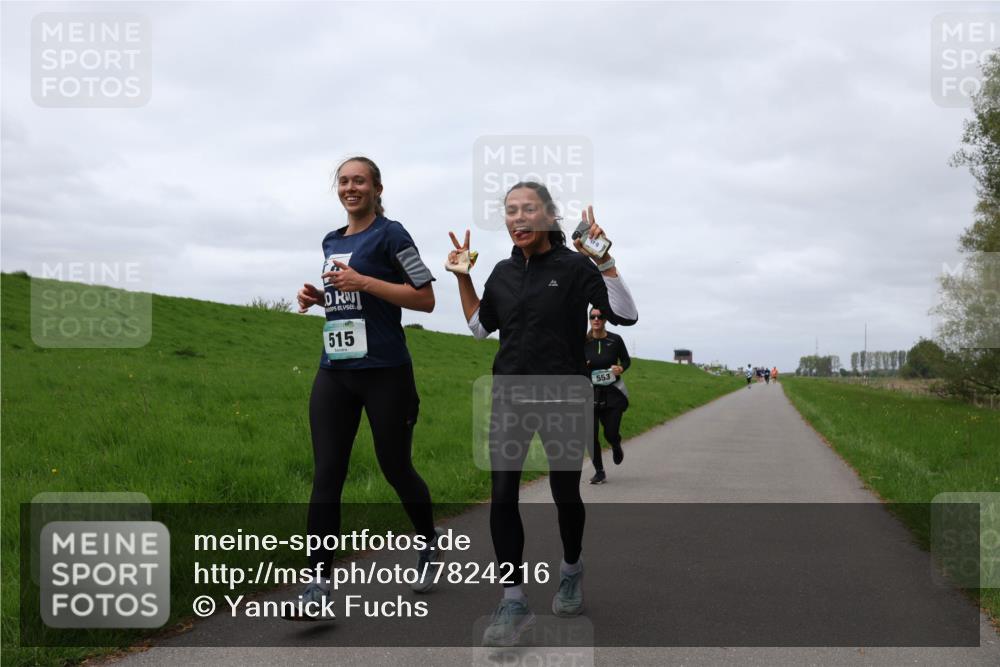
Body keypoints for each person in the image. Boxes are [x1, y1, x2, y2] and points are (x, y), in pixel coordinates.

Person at [447, 182, 637, 646]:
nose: (518, 218)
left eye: (528, 209)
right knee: (503, 491)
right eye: (510, 211)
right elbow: (478, 327)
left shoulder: (573, 267)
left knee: (564, 491)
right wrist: (462, 277)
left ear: (550, 216)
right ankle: (513, 601)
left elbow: (625, 314)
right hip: (510, 394)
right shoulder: (500, 272)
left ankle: (571, 568)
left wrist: (605, 260)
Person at [288, 157, 441, 620]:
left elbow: (426, 298)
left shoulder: (394, 235)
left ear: (376, 188)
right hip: (335, 369)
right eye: (344, 181)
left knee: (395, 468)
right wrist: (320, 298)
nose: (350, 187)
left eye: (359, 181)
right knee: (327, 475)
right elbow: (348, 298)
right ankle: (317, 584)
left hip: (385, 371)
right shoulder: (332, 240)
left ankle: (429, 544)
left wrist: (364, 281)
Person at [584, 307, 631, 484]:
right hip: (589, 394)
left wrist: (621, 368)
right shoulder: (583, 342)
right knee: (590, 435)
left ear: (605, 319)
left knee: (610, 432)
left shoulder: (615, 340)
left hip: (612, 393)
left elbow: (626, 360)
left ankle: (615, 444)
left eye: (600, 316)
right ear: (589, 319)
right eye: (592, 317)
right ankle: (599, 471)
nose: (596, 319)